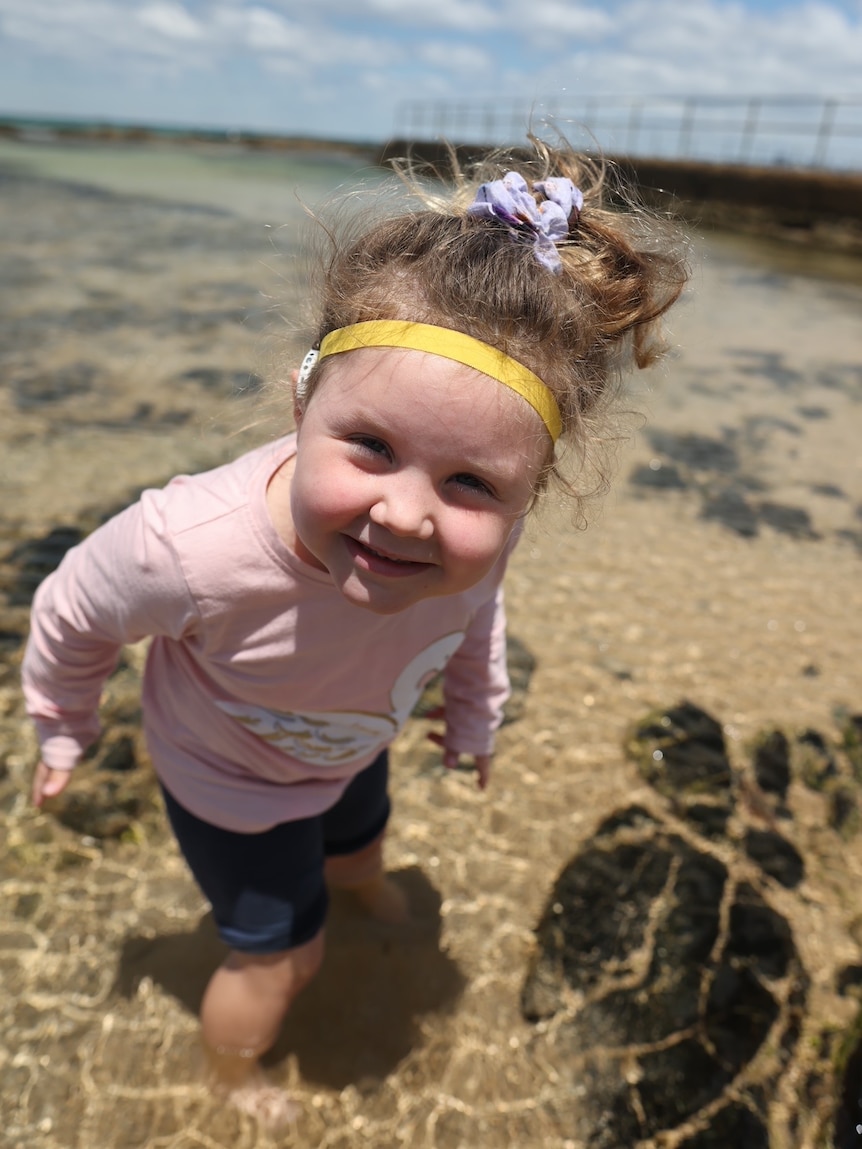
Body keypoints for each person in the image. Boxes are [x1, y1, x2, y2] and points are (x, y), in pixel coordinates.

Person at [21, 139, 687, 1125]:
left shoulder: (479, 548)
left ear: (528, 492)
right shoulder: (189, 547)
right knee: (285, 952)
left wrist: (475, 717)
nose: (409, 515)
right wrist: (64, 725)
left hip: (346, 744)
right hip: (231, 785)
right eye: (370, 447)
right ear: (303, 400)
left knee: (363, 846)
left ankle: (363, 887)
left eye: (470, 483)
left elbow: (474, 622)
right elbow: (71, 612)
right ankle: (230, 1079)